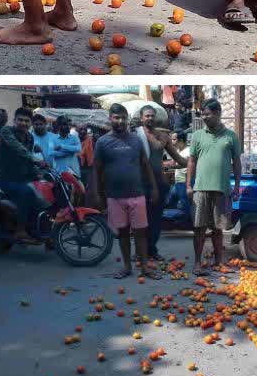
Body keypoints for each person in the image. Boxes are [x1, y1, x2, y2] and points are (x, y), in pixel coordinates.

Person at [95, 104, 159, 279]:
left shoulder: (136, 140)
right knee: (122, 232)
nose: (120, 121)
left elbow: (146, 165)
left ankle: (145, 267)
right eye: (116, 117)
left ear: (127, 119)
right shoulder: (102, 142)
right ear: (110, 119)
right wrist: (98, 195)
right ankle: (127, 266)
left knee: (141, 232)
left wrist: (153, 188)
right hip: (114, 197)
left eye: (123, 117)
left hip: (137, 194)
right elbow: (97, 171)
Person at [186, 98, 241, 275]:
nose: (204, 117)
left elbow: (237, 162)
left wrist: (237, 186)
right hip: (201, 188)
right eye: (202, 114)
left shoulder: (230, 136)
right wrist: (188, 185)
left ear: (218, 114)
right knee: (199, 228)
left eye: (207, 114)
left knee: (218, 229)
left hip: (222, 188)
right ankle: (196, 263)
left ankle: (218, 262)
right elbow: (191, 161)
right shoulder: (197, 136)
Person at [139, 105, 187, 262]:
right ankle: (141, 252)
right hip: (140, 183)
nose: (150, 118)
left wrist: (194, 162)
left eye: (152, 116)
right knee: (141, 220)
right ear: (141, 118)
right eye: (147, 116)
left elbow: (179, 160)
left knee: (156, 220)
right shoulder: (137, 136)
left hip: (159, 183)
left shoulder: (163, 137)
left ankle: (152, 250)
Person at [0, 108, 51, 242]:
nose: (23, 123)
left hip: (23, 178)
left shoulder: (29, 137)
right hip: (6, 179)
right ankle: (20, 230)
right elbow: (18, 148)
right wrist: (36, 159)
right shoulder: (6, 131)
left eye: (27, 121)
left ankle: (40, 229)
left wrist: (40, 174)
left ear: (30, 123)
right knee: (27, 192)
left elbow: (27, 162)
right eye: (20, 120)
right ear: (14, 120)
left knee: (46, 192)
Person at [79, 125, 98, 207]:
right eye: (81, 129)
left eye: (84, 130)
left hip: (89, 168)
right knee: (79, 189)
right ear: (78, 130)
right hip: (77, 168)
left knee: (89, 189)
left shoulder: (91, 141)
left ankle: (88, 207)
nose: (83, 131)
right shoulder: (75, 141)